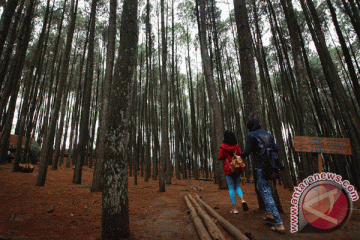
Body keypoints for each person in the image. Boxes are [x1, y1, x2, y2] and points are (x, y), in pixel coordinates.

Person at [239, 118, 286, 235]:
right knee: (261, 187)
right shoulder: (268, 134)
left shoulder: (251, 134)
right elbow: (276, 148)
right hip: (271, 167)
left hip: (261, 167)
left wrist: (239, 156)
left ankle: (279, 224)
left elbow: (248, 151)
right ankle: (270, 214)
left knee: (266, 192)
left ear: (250, 126)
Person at [218, 130, 249, 214]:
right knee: (237, 187)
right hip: (237, 169)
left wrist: (226, 156)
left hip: (228, 169)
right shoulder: (236, 146)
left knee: (231, 188)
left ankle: (234, 209)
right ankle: (242, 200)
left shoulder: (223, 147)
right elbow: (240, 154)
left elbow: (220, 157)